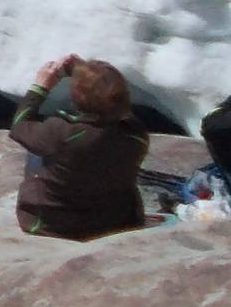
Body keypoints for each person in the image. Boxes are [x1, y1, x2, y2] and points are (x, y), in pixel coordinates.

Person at [9, 53, 150, 240]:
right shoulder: (135, 134)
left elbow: (19, 126)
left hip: (52, 225)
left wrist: (40, 87)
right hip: (117, 222)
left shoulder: (61, 133)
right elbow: (121, 112)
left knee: (38, 146)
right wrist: (86, 73)